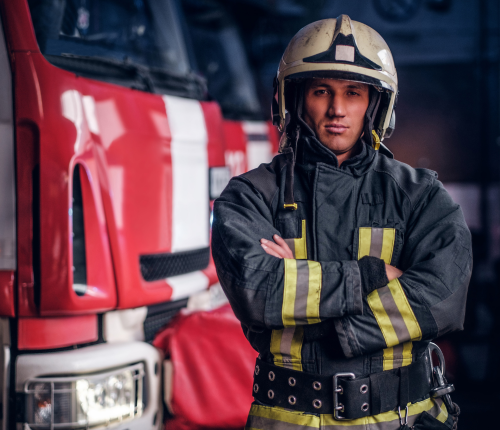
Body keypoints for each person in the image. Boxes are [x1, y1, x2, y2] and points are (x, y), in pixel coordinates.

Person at [212, 15, 471, 429]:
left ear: (375, 103)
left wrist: (313, 307)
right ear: (294, 99)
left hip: (403, 418)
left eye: (353, 93)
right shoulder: (250, 196)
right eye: (321, 92)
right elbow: (257, 293)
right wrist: (374, 275)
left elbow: (443, 298)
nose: (337, 109)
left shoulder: (421, 196)